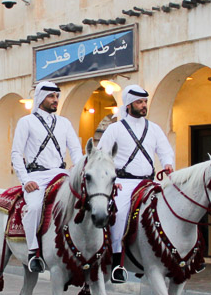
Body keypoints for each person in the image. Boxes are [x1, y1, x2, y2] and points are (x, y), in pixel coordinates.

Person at [98, 84, 174, 283]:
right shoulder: (115, 129)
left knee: (172, 206)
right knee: (121, 215)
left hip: (149, 183)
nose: (143, 105)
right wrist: (111, 181)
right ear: (129, 105)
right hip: (124, 183)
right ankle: (117, 262)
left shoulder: (154, 128)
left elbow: (165, 150)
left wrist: (167, 164)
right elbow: (101, 157)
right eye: (139, 102)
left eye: (145, 102)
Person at [10, 81, 82, 273]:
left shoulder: (64, 123)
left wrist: (80, 168)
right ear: (41, 98)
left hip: (61, 175)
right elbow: (16, 153)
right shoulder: (26, 122)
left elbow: (75, 150)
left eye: (57, 96)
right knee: (34, 207)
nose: (55, 100)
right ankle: (33, 251)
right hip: (37, 177)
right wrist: (26, 181)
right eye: (51, 96)